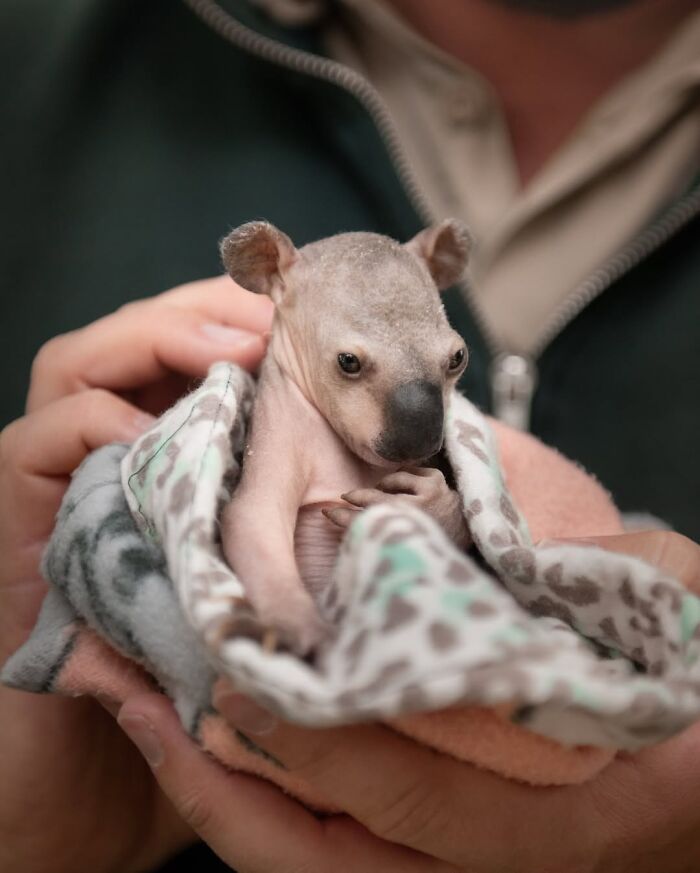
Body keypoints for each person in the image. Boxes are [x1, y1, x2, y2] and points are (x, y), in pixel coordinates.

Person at [1, 0, 699, 869]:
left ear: (440, 267)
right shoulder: (35, 68)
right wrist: (40, 843)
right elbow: (258, 520)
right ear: (267, 274)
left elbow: (484, 539)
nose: (416, 427)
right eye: (353, 369)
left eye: (451, 367)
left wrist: (448, 505)